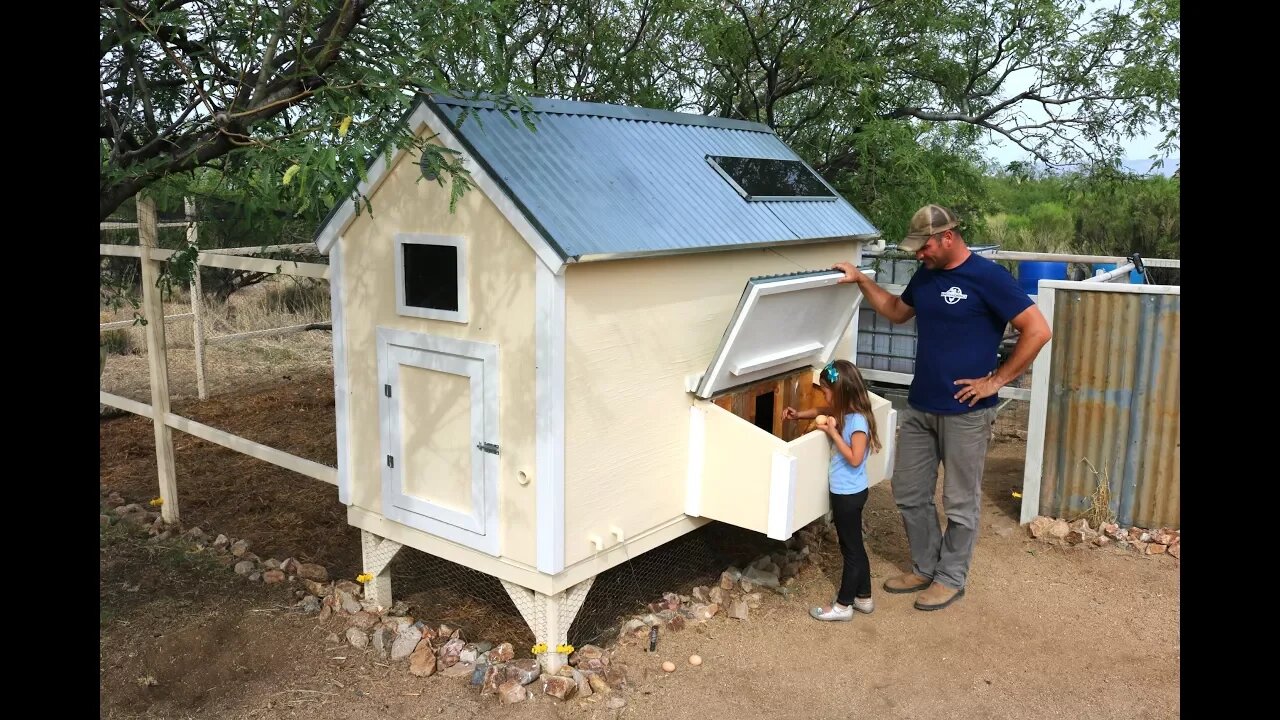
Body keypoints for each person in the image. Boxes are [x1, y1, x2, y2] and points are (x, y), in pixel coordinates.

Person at [832, 204, 1052, 611]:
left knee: (959, 501)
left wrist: (997, 379)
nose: (919, 254)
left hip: (967, 413)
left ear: (948, 236)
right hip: (921, 405)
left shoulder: (987, 277)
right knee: (909, 491)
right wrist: (862, 279)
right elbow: (898, 313)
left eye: (925, 246)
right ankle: (925, 566)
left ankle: (951, 578)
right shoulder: (927, 275)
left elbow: (1038, 331)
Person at [783, 359, 881, 622]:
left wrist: (832, 433)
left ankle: (843, 605)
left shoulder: (857, 422)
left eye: (826, 389)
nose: (825, 394)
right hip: (847, 492)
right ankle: (864, 597)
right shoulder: (845, 412)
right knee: (855, 546)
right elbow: (820, 407)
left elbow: (855, 458)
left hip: (848, 494)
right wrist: (799, 414)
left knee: (850, 550)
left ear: (840, 391)